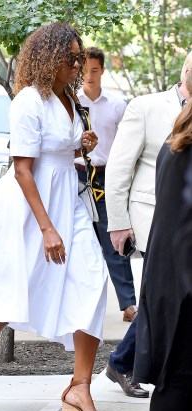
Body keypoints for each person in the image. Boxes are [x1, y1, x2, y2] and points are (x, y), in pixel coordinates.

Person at [0, 22, 110, 411]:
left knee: (93, 280)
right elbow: (22, 170)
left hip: (67, 201)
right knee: (9, 293)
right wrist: (47, 227)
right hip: (29, 208)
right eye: (71, 57)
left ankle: (79, 386)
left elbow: (57, 155)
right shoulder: (27, 102)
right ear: (49, 57)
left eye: (79, 56)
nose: (77, 63)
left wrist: (79, 144)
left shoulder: (67, 98)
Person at [104, 51, 192, 397]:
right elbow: (119, 167)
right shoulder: (146, 107)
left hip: (185, 225)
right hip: (152, 219)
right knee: (161, 300)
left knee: (168, 302)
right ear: (185, 70)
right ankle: (125, 363)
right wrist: (118, 222)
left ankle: (123, 362)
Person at [133, 67, 192, 411]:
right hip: (183, 286)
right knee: (180, 382)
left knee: (179, 382)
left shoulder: (178, 138)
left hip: (171, 282)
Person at [76, 47, 137, 322]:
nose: (89, 75)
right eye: (84, 69)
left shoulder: (116, 105)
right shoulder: (71, 101)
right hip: (76, 174)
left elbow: (126, 146)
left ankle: (128, 304)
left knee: (114, 238)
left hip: (104, 175)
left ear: (102, 70)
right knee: (76, 240)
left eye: (95, 70)